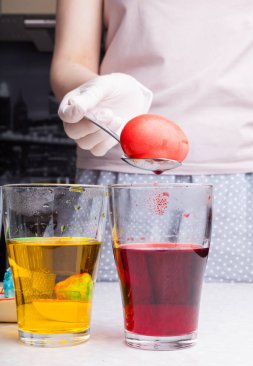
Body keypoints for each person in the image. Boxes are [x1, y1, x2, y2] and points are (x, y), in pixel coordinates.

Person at [50, 0, 253, 283]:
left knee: (236, 322)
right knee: (100, 320)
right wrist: (93, 96)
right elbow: (70, 61)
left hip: (240, 181)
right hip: (120, 170)